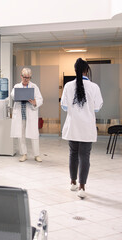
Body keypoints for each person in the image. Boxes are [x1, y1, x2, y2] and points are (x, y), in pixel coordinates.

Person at [61, 58, 103, 199]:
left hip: (73, 126)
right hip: (87, 127)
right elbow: (97, 108)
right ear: (86, 70)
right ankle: (82, 187)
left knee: (73, 154)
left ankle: (73, 182)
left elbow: (64, 106)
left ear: (75, 70)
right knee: (84, 156)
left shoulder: (68, 86)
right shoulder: (94, 87)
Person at [10, 68, 43, 162]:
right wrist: (18, 95)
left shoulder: (34, 86)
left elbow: (40, 99)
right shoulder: (17, 86)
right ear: (21, 76)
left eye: (28, 78)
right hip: (20, 114)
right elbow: (12, 95)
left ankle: (36, 155)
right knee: (21, 135)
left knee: (34, 134)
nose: (26, 79)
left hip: (30, 113)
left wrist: (35, 102)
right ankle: (24, 154)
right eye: (25, 77)